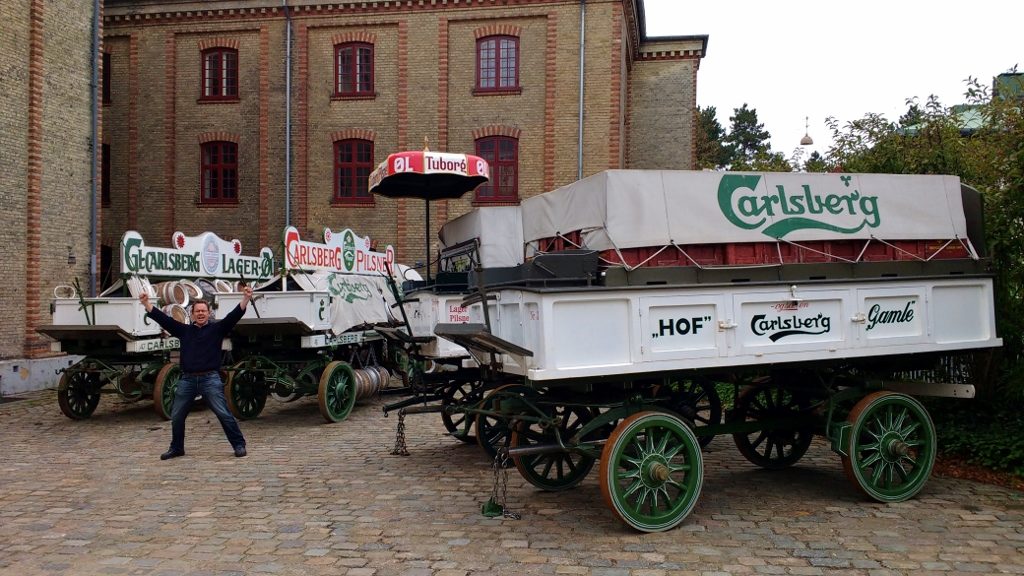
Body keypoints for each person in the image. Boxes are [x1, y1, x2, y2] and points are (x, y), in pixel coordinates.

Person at [140, 285, 253, 460]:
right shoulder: (184, 331)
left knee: (223, 413)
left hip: (210, 379)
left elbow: (234, 316)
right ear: (192, 314)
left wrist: (245, 299)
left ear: (209, 313)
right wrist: (147, 304)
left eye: (203, 311)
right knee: (177, 416)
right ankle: (177, 448)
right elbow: (164, 320)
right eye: (197, 311)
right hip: (187, 380)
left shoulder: (217, 329)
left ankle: (239, 444)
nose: (200, 314)